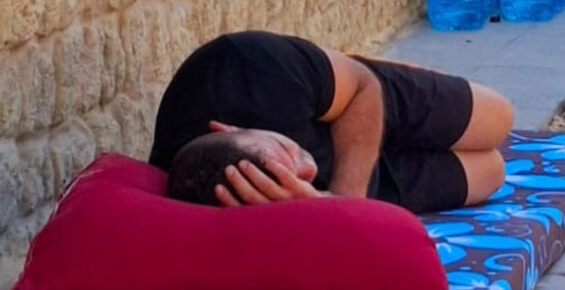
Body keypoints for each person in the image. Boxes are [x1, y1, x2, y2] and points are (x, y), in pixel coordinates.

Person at [148, 31, 514, 214]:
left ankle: (334, 66)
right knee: (491, 172)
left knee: (498, 119)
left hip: (359, 103)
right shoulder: (201, 190)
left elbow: (363, 85)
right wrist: (324, 210)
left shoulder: (249, 67)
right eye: (285, 177)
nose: (301, 168)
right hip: (330, 196)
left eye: (284, 151)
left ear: (227, 130)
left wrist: (345, 198)